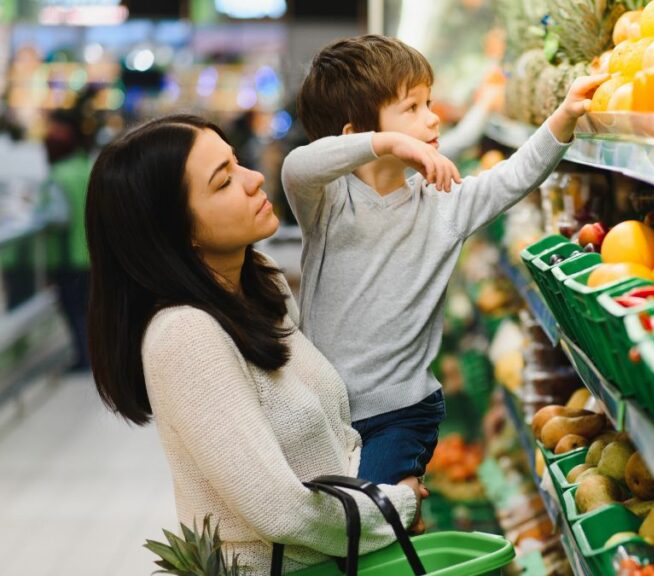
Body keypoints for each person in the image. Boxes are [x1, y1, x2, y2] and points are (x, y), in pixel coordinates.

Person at [86, 114, 427, 573]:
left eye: (237, 162)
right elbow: (279, 509)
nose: (255, 179)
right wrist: (394, 504)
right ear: (177, 230)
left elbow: (332, 434)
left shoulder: (260, 281)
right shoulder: (185, 336)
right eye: (224, 181)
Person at [283, 34, 606, 484]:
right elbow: (297, 166)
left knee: (376, 520)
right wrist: (388, 144)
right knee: (343, 532)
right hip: (325, 409)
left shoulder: (444, 202)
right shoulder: (329, 204)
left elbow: (514, 177)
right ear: (356, 135)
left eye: (428, 102)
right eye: (411, 108)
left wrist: (564, 117)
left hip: (402, 413)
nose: (433, 118)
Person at [43, 108, 94, 371]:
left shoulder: (59, 175)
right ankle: (92, 358)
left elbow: (59, 217)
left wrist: (38, 212)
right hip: (90, 253)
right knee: (88, 310)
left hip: (68, 256)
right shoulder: (86, 165)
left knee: (73, 309)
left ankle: (83, 359)